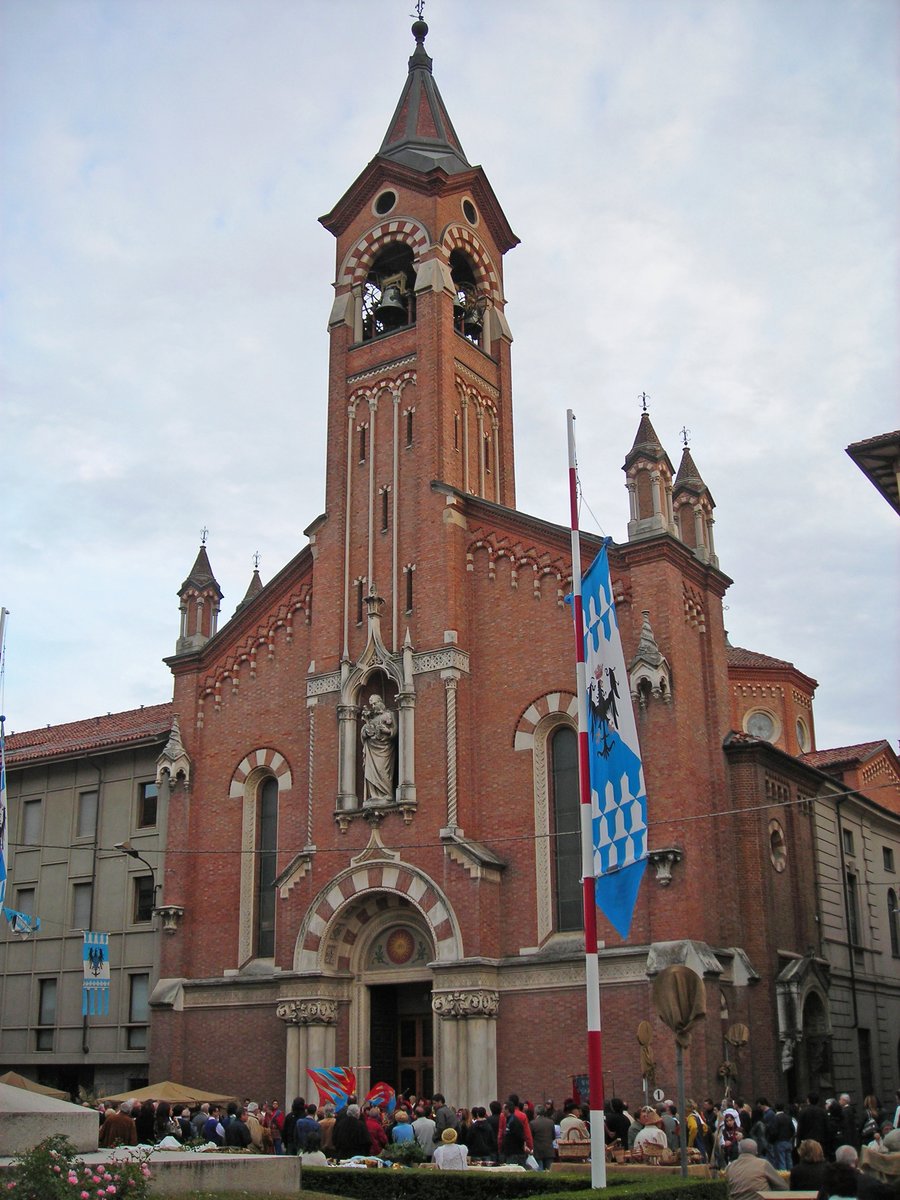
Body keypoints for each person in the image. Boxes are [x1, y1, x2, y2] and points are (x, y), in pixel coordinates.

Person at [360, 694, 396, 803]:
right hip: (371, 749)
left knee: (382, 770)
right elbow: (365, 733)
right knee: (370, 772)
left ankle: (387, 793)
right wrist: (365, 731)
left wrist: (387, 731)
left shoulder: (389, 715)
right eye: (372, 704)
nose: (374, 706)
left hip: (384, 748)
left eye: (375, 703)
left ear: (380, 702)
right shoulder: (372, 719)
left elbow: (395, 731)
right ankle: (375, 795)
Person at [530, 1104, 556, 1170]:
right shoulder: (551, 1122)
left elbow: (530, 1138)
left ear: (535, 1113)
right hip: (549, 1151)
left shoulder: (533, 1123)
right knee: (549, 1172)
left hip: (538, 1152)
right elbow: (553, 1137)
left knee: (540, 1173)